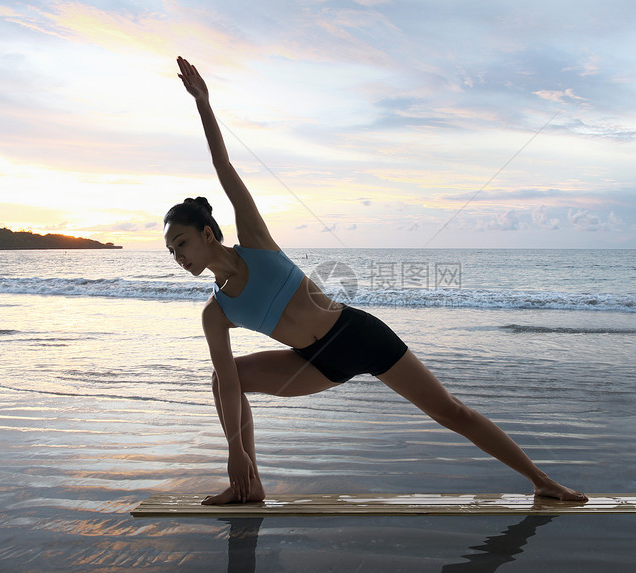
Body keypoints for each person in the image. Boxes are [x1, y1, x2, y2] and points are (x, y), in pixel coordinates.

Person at [168, 57, 586, 505]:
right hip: (313, 362)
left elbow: (224, 166)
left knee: (451, 411)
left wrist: (204, 104)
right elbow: (230, 384)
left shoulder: (255, 240)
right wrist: (235, 453)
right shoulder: (217, 312)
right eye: (172, 251)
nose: (178, 257)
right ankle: (247, 485)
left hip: (356, 333)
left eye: (182, 243)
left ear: (208, 234)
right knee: (222, 379)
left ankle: (541, 480)